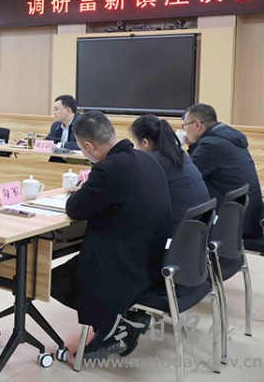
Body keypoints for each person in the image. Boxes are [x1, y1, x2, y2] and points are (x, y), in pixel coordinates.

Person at [50, 111, 173, 359]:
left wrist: (81, 191)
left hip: (124, 267)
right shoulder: (148, 159)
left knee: (54, 279)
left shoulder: (108, 169)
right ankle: (121, 321)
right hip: (155, 259)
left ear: (88, 146)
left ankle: (113, 328)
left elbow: (75, 209)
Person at [183, 103, 263, 238]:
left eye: (185, 125)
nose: (184, 130)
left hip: (232, 224)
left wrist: (177, 147)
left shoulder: (211, 145)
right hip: (245, 216)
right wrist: (194, 146)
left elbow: (186, 175)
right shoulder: (226, 137)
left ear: (197, 125)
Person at [130, 115, 210, 231]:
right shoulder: (180, 155)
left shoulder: (151, 162)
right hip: (196, 230)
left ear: (145, 142)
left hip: (177, 232)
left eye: (135, 144)